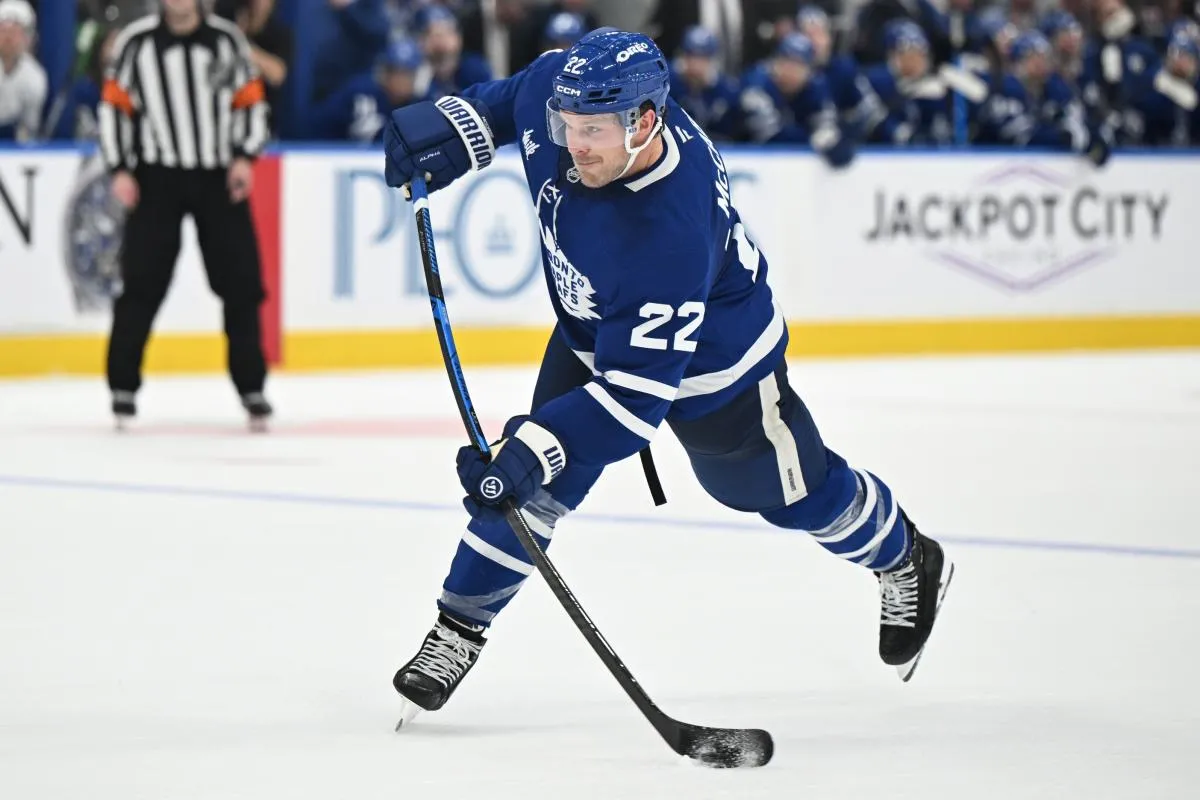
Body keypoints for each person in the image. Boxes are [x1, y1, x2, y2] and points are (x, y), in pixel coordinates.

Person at [380, 29, 954, 724]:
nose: (574, 144)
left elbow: (632, 403)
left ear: (645, 121)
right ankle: (457, 629)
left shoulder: (667, 230)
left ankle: (905, 557)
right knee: (524, 496)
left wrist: (534, 445)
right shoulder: (562, 90)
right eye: (567, 126)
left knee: (788, 497)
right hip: (598, 333)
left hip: (719, 371)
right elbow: (509, 102)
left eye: (593, 130)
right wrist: (454, 126)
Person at [98, 0, 273, 429]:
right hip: (157, 178)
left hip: (218, 176)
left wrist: (245, 158)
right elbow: (114, 107)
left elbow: (250, 99)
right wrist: (120, 168)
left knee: (242, 283)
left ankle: (252, 386)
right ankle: (123, 385)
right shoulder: (135, 43)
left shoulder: (226, 40)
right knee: (141, 280)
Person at [972, 30, 1111, 165]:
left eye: (1044, 57)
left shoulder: (1054, 90)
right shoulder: (1005, 89)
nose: (1041, 63)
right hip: (996, 166)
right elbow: (1020, 135)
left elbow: (1076, 121)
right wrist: (1064, 137)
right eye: (1034, 57)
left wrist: (1093, 138)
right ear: (1019, 62)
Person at [737, 32, 855, 166]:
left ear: (809, 70)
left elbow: (831, 133)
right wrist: (813, 139)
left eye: (799, 65)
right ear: (775, 61)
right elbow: (771, 138)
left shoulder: (815, 86)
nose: (791, 70)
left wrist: (830, 140)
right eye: (786, 61)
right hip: (745, 160)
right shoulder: (756, 85)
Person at [308, 37, 425, 141]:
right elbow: (322, 123)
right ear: (385, 73)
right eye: (395, 72)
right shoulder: (360, 92)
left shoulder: (423, 103)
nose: (400, 80)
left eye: (407, 74)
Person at [0, 0, 46, 142]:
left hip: (14, 140)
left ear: (27, 37)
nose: (8, 38)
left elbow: (29, 127)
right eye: (3, 30)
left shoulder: (35, 77)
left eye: (14, 31)